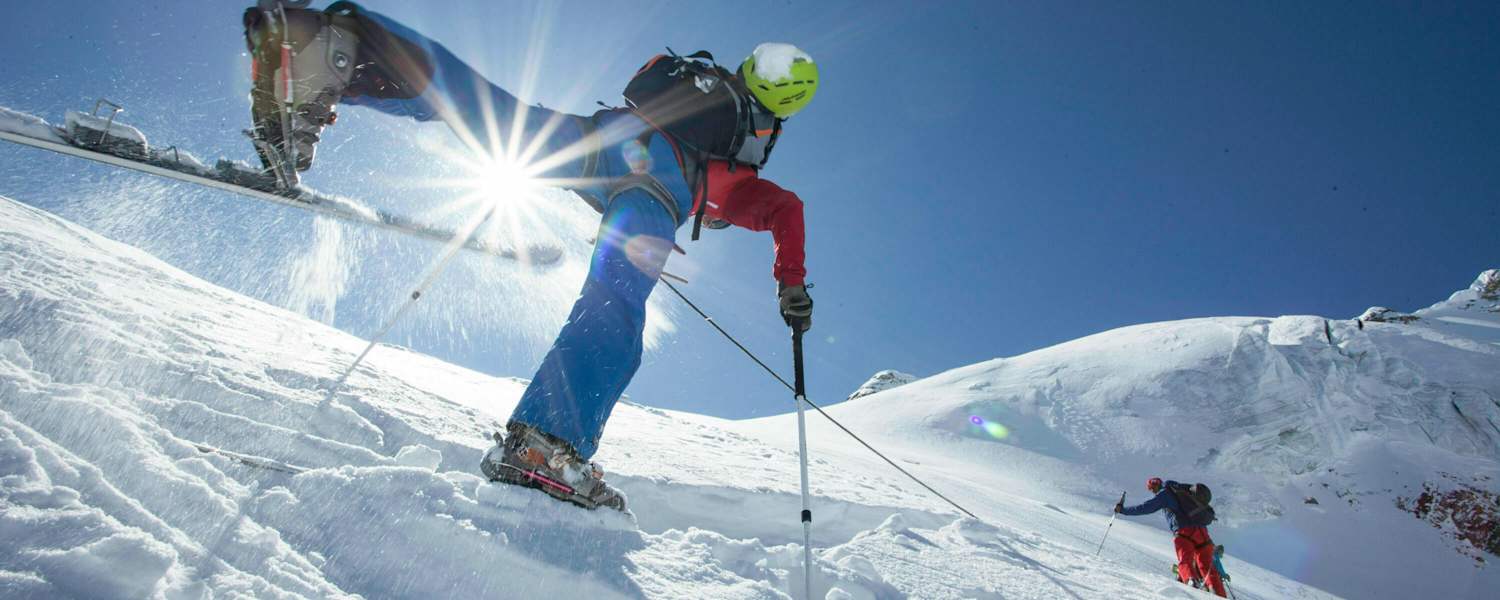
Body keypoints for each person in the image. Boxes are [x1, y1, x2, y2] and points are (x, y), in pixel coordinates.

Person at [242, 1, 818, 511]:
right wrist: (791, 284)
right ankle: (545, 447)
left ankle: (335, 49)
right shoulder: (740, 161)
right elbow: (784, 209)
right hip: (653, 185)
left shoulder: (708, 93)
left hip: (609, 139)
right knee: (618, 301)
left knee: (495, 116)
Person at [1116, 477, 1227, 597]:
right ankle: (1219, 595)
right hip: (1203, 533)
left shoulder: (1165, 494)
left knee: (1185, 561)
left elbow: (1146, 507)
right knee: (1207, 567)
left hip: (1184, 532)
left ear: (1156, 485)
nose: (1153, 491)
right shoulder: (1183, 490)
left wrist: (1123, 510)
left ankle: (1192, 586)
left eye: (1151, 488)